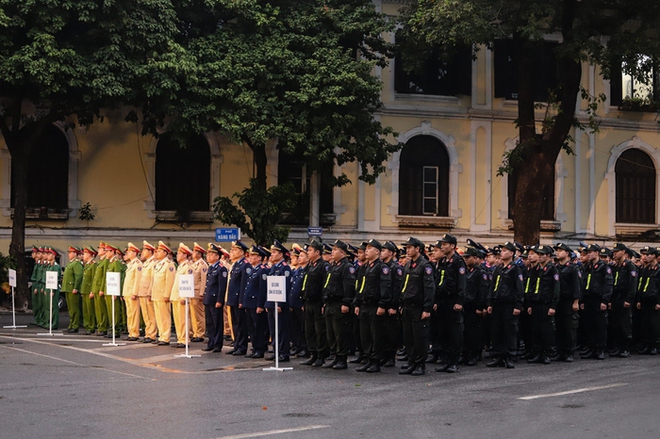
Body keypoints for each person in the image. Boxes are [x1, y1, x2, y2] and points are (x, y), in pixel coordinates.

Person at [353, 239, 391, 373]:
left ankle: (375, 361)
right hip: (364, 305)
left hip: (375, 306)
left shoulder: (382, 267)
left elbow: (385, 287)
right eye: (366, 248)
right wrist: (357, 302)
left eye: (369, 248)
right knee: (365, 335)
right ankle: (368, 359)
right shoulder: (365, 267)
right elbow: (360, 287)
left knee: (376, 335)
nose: (366, 251)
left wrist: (382, 304)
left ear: (377, 251)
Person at [398, 237, 435, 376]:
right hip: (407, 305)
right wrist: (401, 303)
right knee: (409, 336)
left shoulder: (425, 266)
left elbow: (429, 288)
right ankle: (412, 362)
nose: (407, 250)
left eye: (409, 247)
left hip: (418, 307)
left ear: (417, 249)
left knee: (419, 337)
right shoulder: (408, 265)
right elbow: (405, 285)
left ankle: (420, 364)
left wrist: (427, 308)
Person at [431, 234, 466, 373]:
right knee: (443, 332)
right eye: (442, 244)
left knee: (454, 333)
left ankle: (454, 362)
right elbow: (438, 281)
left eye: (445, 244)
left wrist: (459, 301)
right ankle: (445, 361)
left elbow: (461, 283)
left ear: (452, 246)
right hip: (442, 300)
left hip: (453, 301)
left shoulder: (458, 261)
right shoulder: (443, 261)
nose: (443, 247)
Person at [486, 242, 524, 369]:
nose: (502, 253)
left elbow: (519, 288)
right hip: (497, 304)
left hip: (509, 304)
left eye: (505, 251)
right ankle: (498, 355)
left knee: (510, 330)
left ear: (512, 253)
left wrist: (518, 305)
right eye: (502, 251)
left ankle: (509, 356)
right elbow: (493, 287)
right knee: (497, 330)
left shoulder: (515, 269)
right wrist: (490, 302)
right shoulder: (499, 268)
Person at [321, 240, 356, 370]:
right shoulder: (333, 266)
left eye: (335, 250)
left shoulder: (347, 267)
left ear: (342, 252)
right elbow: (327, 284)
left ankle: (342, 358)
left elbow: (349, 286)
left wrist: (346, 302)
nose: (332, 252)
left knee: (340, 333)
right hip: (330, 303)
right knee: (331, 333)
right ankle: (335, 356)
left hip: (339, 303)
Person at [526, 245, 559, 365]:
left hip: (546, 304)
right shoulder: (535, 269)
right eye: (538, 254)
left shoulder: (552, 269)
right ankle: (537, 353)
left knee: (546, 330)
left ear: (548, 256)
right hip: (536, 303)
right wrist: (530, 303)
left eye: (542, 255)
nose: (539, 257)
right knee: (536, 329)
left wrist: (553, 306)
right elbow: (532, 286)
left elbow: (556, 288)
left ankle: (546, 354)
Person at [300, 239, 331, 366]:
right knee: (309, 330)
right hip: (308, 302)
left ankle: (321, 355)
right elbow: (304, 283)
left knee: (320, 331)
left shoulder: (324, 266)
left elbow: (325, 285)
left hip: (318, 302)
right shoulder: (310, 265)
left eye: (310, 250)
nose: (308, 252)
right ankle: (312, 353)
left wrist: (324, 302)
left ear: (317, 252)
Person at [581, 244, 613, 360]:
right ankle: (591, 348)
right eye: (587, 252)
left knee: (600, 326)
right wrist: (582, 300)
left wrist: (605, 300)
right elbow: (584, 284)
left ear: (597, 253)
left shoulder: (604, 267)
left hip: (598, 299)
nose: (588, 254)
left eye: (591, 252)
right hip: (588, 299)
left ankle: (600, 349)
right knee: (589, 325)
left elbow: (608, 284)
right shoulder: (587, 267)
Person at [553, 243, 581, 362]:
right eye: (557, 250)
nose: (557, 252)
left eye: (560, 250)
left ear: (567, 253)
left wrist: (576, 301)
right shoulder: (556, 268)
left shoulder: (573, 268)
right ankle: (560, 351)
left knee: (569, 327)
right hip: (558, 301)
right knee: (559, 327)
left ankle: (569, 351)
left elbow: (577, 286)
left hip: (568, 301)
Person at [266, 240, 292, 362]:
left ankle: (283, 352)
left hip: (280, 304)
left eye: (274, 252)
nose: (272, 254)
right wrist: (268, 303)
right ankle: (276, 351)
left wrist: (280, 304)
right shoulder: (274, 268)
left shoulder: (285, 268)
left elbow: (285, 287)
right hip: (272, 302)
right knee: (273, 329)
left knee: (281, 329)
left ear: (281, 254)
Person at [462, 246, 489, 366]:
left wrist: (480, 307)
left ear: (476, 258)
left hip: (474, 307)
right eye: (465, 258)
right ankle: (465, 355)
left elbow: (483, 291)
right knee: (465, 332)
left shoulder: (480, 273)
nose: (466, 260)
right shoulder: (466, 272)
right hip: (465, 306)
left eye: (468, 257)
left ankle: (474, 355)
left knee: (474, 333)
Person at [610, 243, 637, 357]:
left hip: (625, 297)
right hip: (616, 297)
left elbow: (633, 284)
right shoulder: (617, 267)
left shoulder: (630, 266)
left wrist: (629, 299)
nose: (614, 253)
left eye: (617, 251)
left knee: (625, 324)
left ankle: (625, 348)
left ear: (624, 253)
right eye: (614, 251)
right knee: (616, 324)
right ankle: (618, 346)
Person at [242, 245, 269, 358]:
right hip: (249, 303)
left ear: (259, 258)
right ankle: (254, 347)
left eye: (253, 255)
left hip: (256, 303)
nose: (250, 257)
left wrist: (260, 305)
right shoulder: (254, 270)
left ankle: (259, 349)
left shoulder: (262, 271)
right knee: (251, 328)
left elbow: (262, 290)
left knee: (258, 327)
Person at [225, 240, 250, 356]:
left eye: (235, 250)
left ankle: (242, 346)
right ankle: (236, 345)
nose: (232, 252)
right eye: (232, 250)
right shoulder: (235, 265)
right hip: (232, 299)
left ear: (241, 252)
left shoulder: (245, 265)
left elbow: (243, 285)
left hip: (238, 299)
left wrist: (241, 300)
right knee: (235, 323)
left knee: (241, 324)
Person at [380, 241, 403, 367]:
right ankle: (384, 355)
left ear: (391, 253)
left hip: (391, 305)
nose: (382, 253)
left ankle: (390, 357)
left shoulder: (396, 268)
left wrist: (394, 306)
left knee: (391, 332)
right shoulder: (383, 267)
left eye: (384, 251)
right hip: (383, 303)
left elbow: (396, 288)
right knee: (383, 331)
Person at [202, 244, 228, 352]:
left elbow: (222, 287)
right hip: (209, 298)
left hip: (215, 299)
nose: (209, 256)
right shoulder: (211, 268)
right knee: (210, 323)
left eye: (212, 254)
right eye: (208, 254)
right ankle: (211, 342)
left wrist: (219, 300)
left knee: (217, 322)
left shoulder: (221, 269)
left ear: (217, 256)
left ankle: (217, 344)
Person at [636, 247, 660, 355]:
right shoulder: (645, 270)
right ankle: (647, 344)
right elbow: (641, 285)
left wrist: (659, 302)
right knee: (645, 324)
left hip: (654, 301)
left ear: (654, 256)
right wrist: (639, 300)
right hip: (645, 300)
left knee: (654, 325)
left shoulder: (658, 270)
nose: (646, 256)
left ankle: (655, 345)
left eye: (649, 254)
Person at [151, 241, 175, 346]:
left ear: (165, 253)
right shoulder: (158, 264)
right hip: (156, 294)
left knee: (164, 317)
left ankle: (165, 337)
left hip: (163, 295)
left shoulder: (169, 265)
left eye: (159, 251)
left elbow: (170, 281)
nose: (157, 253)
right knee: (159, 317)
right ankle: (161, 335)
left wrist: (167, 295)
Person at [171, 243, 194, 348]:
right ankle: (180, 338)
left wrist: (184, 297)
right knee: (178, 320)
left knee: (183, 320)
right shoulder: (181, 266)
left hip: (182, 297)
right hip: (176, 296)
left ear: (185, 255)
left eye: (180, 253)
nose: (177, 255)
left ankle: (184, 339)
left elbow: (188, 283)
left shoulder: (188, 267)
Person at [288, 244, 308, 358]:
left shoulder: (306, 270)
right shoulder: (297, 270)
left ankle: (304, 347)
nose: (299, 258)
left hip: (300, 303)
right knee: (294, 327)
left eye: (301, 256)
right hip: (293, 303)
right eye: (299, 256)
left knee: (302, 327)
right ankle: (297, 345)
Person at [122, 243, 143, 341]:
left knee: (134, 314)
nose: (128, 253)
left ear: (135, 253)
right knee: (129, 313)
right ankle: (131, 332)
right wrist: (124, 292)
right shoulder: (130, 265)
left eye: (130, 252)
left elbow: (137, 280)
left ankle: (135, 333)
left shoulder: (137, 264)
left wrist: (135, 293)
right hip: (128, 292)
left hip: (132, 293)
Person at [61, 246, 83, 333]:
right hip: (68, 288)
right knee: (70, 309)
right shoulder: (70, 263)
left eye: (70, 253)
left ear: (75, 254)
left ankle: (75, 325)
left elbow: (78, 277)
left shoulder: (76, 264)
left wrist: (76, 287)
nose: (69, 254)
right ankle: (71, 325)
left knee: (74, 308)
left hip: (72, 289)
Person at [91, 242, 109, 336]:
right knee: (98, 310)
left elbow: (105, 276)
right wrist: (93, 290)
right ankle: (100, 326)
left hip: (100, 289)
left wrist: (102, 289)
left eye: (100, 248)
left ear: (104, 251)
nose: (98, 250)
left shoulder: (105, 261)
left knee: (102, 310)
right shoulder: (100, 261)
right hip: (96, 289)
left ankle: (103, 327)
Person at [191, 243, 208, 343]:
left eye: (194, 252)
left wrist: (202, 293)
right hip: (192, 292)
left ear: (199, 254)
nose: (193, 253)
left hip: (198, 293)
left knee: (199, 314)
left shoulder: (202, 265)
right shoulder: (194, 264)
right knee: (193, 315)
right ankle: (195, 332)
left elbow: (204, 280)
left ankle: (200, 333)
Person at [80, 246, 97, 335]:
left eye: (85, 253)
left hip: (89, 290)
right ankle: (87, 326)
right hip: (85, 290)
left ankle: (91, 326)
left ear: (90, 255)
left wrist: (92, 291)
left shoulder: (93, 265)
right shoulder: (87, 265)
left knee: (90, 310)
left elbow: (94, 279)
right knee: (85, 310)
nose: (83, 255)